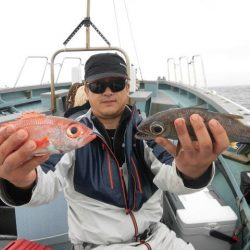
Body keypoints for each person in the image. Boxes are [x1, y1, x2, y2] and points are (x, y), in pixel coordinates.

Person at [0, 53, 229, 250]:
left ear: (128, 87)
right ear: (87, 92)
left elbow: (173, 177)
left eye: (117, 84)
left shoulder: (149, 130)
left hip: (160, 238)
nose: (108, 91)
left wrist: (192, 171)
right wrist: (21, 182)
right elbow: (45, 183)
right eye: (98, 86)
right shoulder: (70, 135)